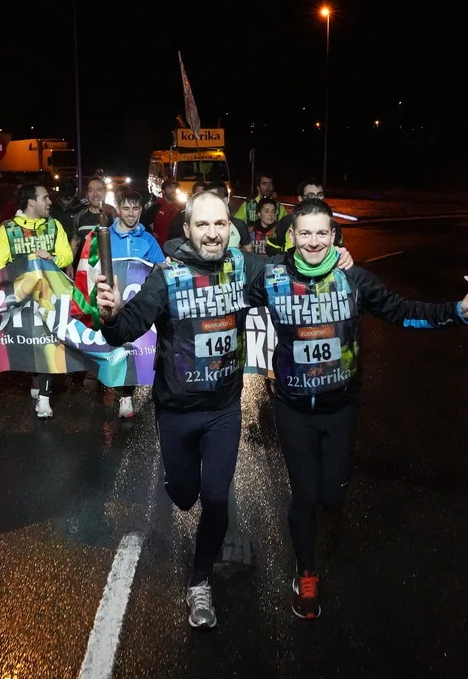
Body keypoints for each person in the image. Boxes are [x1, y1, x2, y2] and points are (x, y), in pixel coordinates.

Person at [94, 192, 353, 631]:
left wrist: (333, 258)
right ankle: (179, 484)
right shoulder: (166, 276)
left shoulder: (243, 266)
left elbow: (295, 269)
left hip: (223, 411)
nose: (213, 233)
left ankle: (200, 581)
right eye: (203, 225)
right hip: (176, 411)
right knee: (184, 496)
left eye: (220, 225)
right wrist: (111, 314)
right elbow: (123, 331)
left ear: (229, 229)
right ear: (188, 230)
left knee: (215, 499)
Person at [250, 198, 468, 620]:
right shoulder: (272, 277)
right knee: (305, 494)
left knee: (332, 493)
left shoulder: (353, 280)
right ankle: (306, 573)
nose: (313, 242)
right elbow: (221, 290)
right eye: (305, 233)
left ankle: (329, 506)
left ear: (334, 236)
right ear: (293, 236)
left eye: (321, 233)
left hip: (340, 406)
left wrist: (457, 311)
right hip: (292, 407)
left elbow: (403, 312)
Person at [0, 182, 73, 418]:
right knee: (30, 343)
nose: (50, 202)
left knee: (48, 341)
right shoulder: (9, 229)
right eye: (45, 198)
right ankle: (35, 377)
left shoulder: (54, 225)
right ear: (31, 202)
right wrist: (18, 274)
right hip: (21, 298)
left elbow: (67, 255)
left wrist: (52, 257)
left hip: (49, 295)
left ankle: (44, 398)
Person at [102, 187, 166, 418]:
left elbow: (160, 268)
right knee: (113, 347)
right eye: (126, 208)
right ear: (118, 209)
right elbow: (90, 266)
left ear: (141, 210)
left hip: (137, 306)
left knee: (134, 347)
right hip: (111, 303)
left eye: (135, 208)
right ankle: (106, 381)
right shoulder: (105, 238)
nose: (131, 213)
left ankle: (126, 396)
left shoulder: (148, 240)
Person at [266, 179, 344, 256]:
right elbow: (271, 248)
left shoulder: (334, 225)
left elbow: (339, 252)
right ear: (300, 198)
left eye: (319, 195)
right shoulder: (286, 222)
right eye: (311, 195)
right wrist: (288, 258)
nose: (316, 199)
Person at [166, 182, 251, 251]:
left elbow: (248, 250)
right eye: (201, 225)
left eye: (220, 224)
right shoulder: (183, 219)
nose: (212, 235)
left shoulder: (239, 225)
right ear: (187, 230)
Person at [72, 176, 117, 258]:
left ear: (105, 192)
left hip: (110, 264)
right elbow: (75, 242)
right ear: (87, 194)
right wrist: (70, 263)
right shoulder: (80, 215)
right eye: (91, 190)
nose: (95, 194)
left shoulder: (113, 213)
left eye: (99, 190)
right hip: (86, 264)